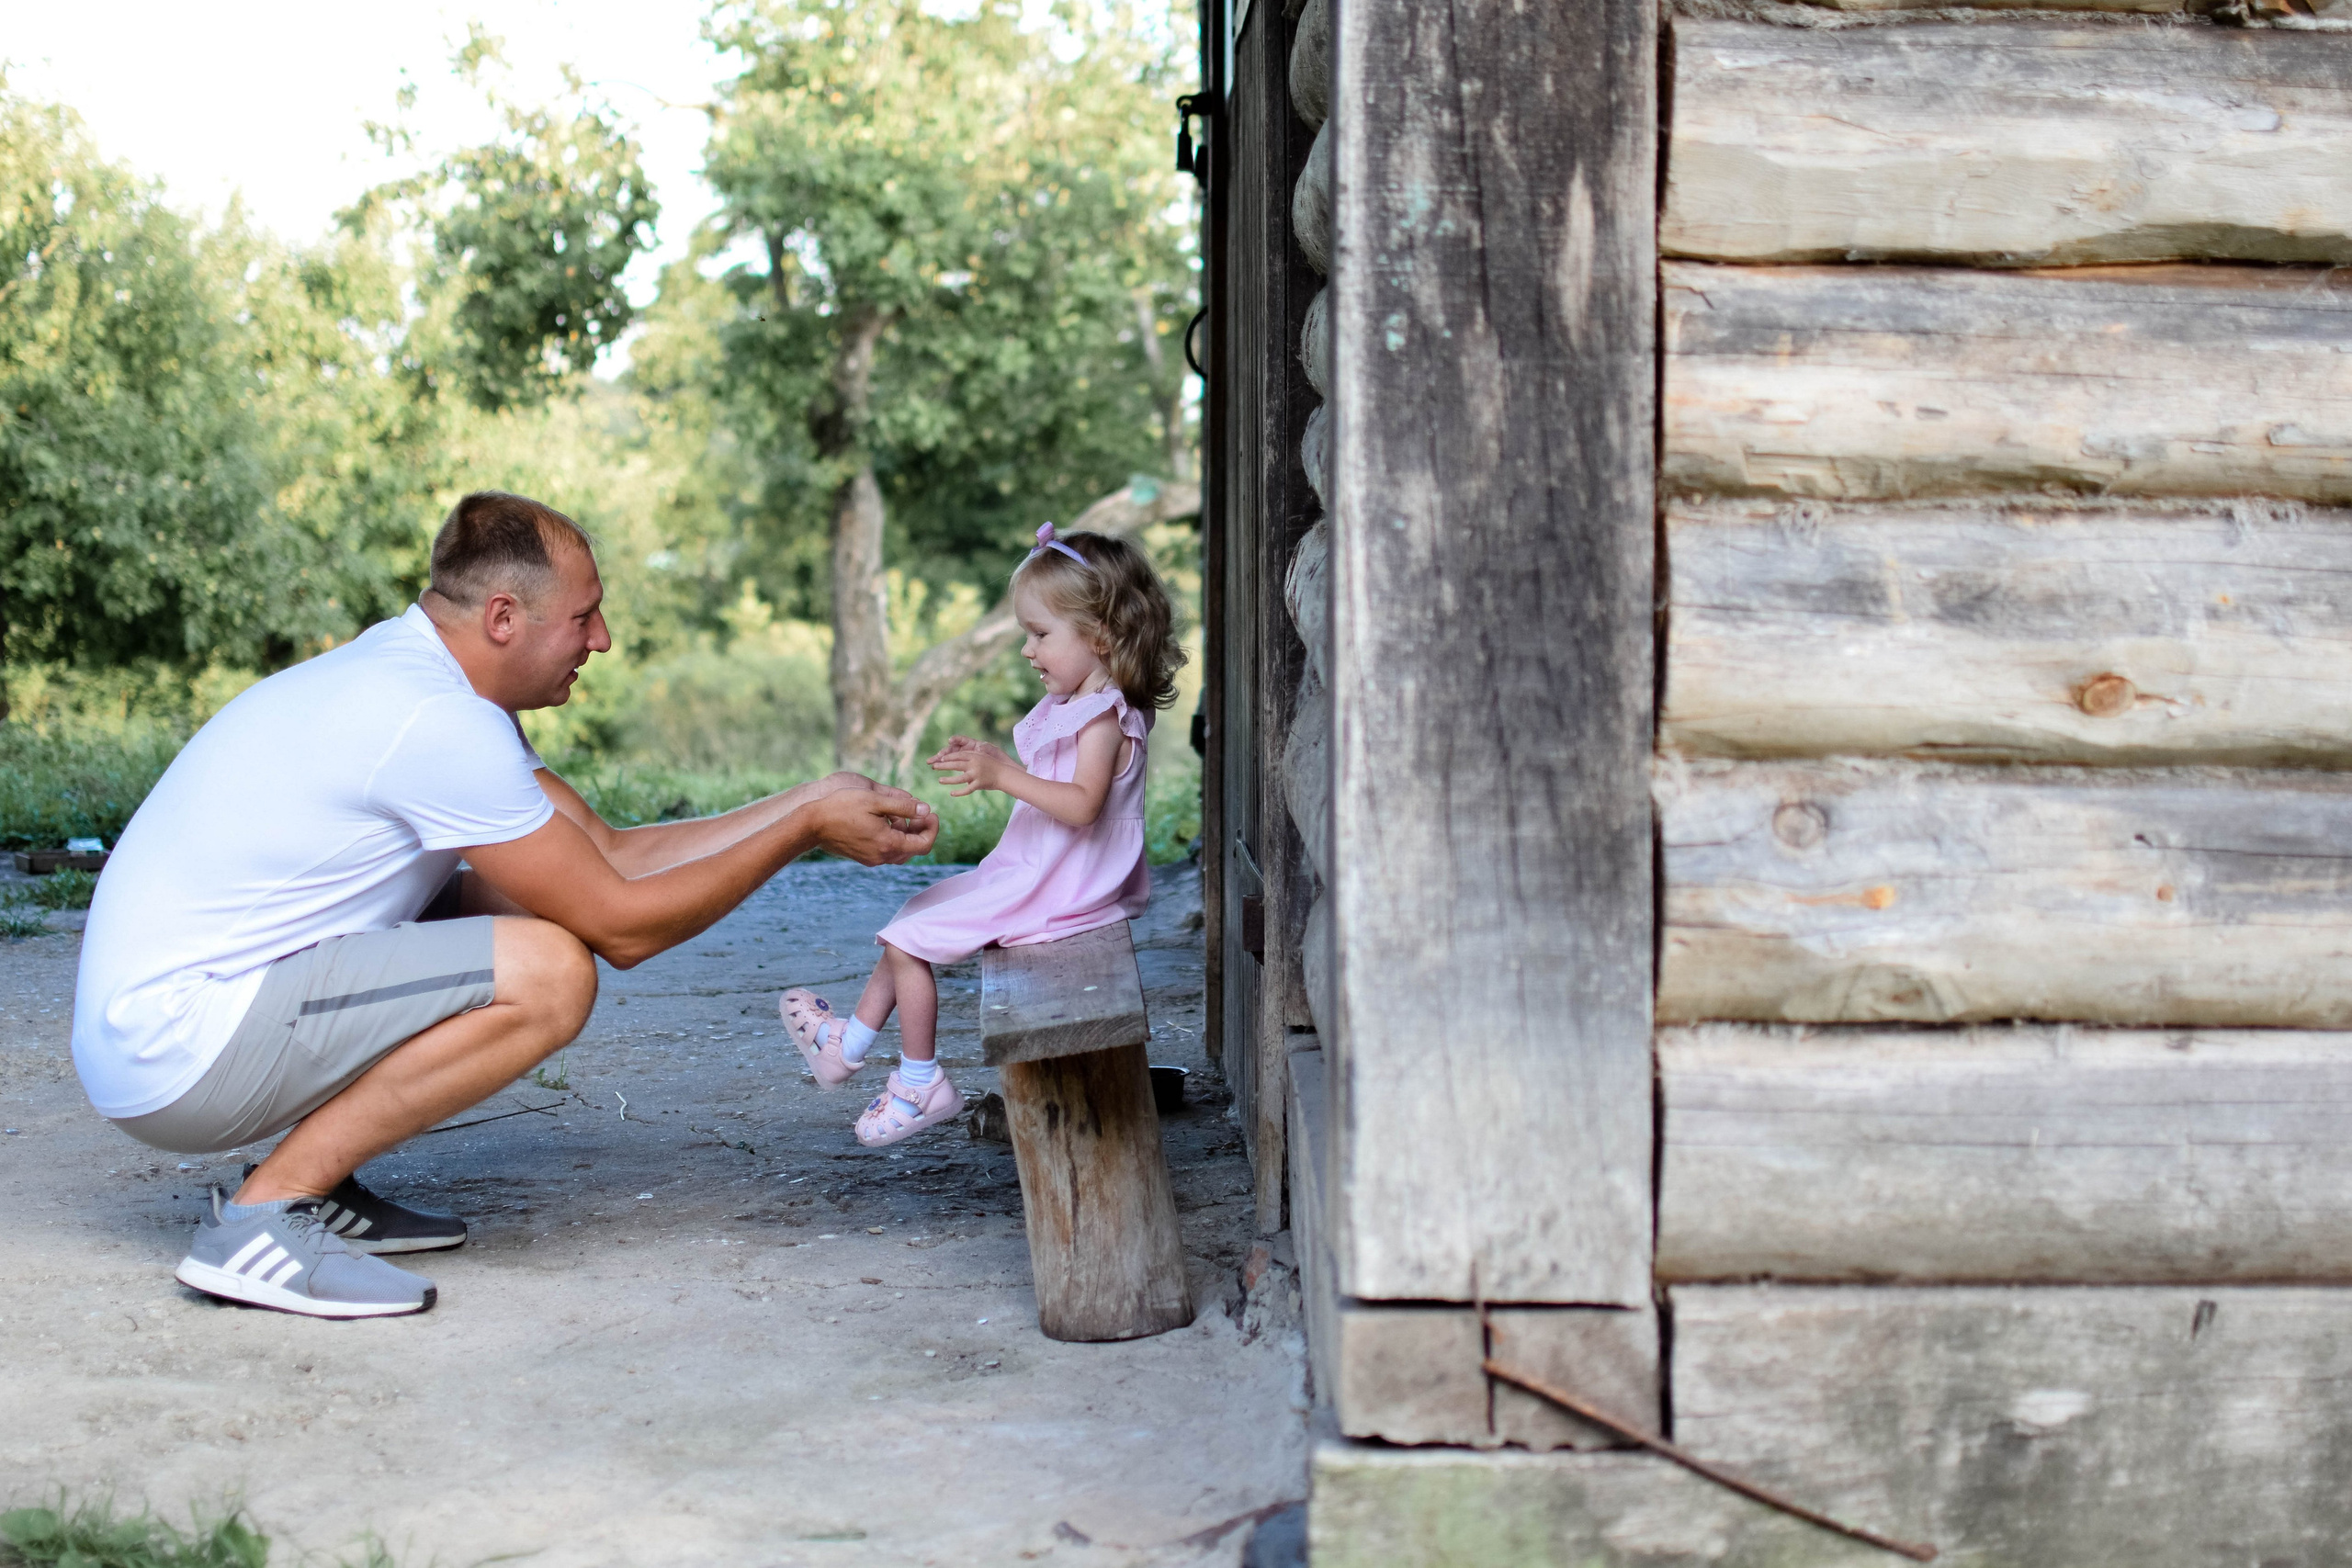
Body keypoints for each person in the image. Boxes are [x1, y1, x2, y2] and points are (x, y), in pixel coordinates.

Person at [70, 491, 937, 1319]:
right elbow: (622, 926)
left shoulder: (429, 686)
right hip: (178, 1047)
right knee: (550, 970)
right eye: (583, 616)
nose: (601, 639)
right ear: (501, 618)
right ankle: (263, 1220)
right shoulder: (433, 720)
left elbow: (608, 854)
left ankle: (319, 1186)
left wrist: (809, 802)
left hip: (193, 1015)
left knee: (514, 904)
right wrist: (803, 833)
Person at [779, 523, 1182, 1146]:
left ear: (1100, 634)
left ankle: (921, 1083)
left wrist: (1002, 776)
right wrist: (999, 759)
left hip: (1063, 885)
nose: (1028, 649)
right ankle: (845, 1044)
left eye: (1041, 633)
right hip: (1041, 871)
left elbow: (1080, 807)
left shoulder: (1104, 719)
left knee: (910, 940)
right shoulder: (1089, 702)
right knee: (915, 911)